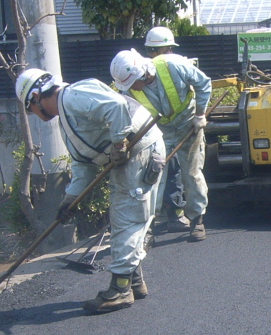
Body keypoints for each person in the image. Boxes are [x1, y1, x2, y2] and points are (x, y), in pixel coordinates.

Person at [16, 68, 165, 312]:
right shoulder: (66, 120)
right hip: (127, 157)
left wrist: (119, 142)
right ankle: (134, 281)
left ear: (36, 97)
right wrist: (70, 200)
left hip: (139, 150)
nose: (32, 114)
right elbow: (83, 165)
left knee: (128, 218)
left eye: (28, 107)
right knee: (124, 219)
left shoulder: (74, 95)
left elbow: (117, 105)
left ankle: (120, 290)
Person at [111, 33, 212, 242]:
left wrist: (200, 115)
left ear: (142, 73)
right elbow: (126, 116)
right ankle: (148, 226)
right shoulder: (130, 91)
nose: (131, 89)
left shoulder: (173, 65)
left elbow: (204, 84)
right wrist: (122, 143)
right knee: (153, 175)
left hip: (188, 124)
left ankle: (197, 220)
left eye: (132, 83)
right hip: (160, 131)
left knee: (191, 173)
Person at [142, 27, 187, 224]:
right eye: (167, 50)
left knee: (174, 171)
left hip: (178, 126)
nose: (170, 54)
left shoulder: (177, 66)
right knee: (161, 172)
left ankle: (175, 215)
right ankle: (154, 219)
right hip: (157, 133)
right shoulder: (143, 73)